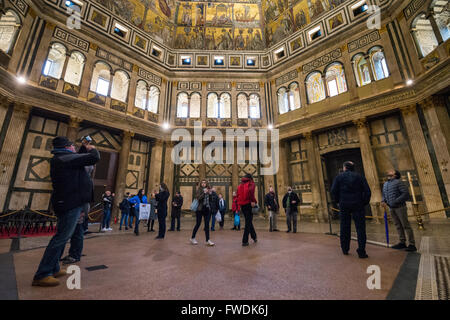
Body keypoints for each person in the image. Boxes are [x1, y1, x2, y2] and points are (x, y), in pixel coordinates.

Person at [32, 136, 99, 286]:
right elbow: (94, 158)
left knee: (62, 236)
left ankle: (54, 268)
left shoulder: (63, 157)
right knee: (61, 238)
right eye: (73, 146)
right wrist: (92, 149)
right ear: (68, 147)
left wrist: (83, 147)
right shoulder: (63, 158)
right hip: (70, 203)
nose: (75, 148)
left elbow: (77, 157)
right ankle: (42, 274)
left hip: (70, 201)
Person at [331, 161, 371, 259]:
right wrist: (363, 202)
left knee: (344, 227)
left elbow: (333, 191)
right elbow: (367, 191)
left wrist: (338, 201)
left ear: (344, 168)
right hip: (358, 204)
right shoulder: (359, 176)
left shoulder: (339, 177)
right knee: (360, 228)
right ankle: (361, 251)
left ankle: (345, 249)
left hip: (344, 204)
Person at [382, 170, 416, 252]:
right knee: (398, 225)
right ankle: (402, 242)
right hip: (391, 208)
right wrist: (383, 200)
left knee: (405, 225)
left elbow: (405, 194)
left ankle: (412, 244)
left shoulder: (399, 182)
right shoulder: (386, 184)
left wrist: (396, 201)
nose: (388, 172)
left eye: (391, 171)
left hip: (400, 207)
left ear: (395, 175)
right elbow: (384, 194)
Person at [190, 179, 215, 246]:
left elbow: (211, 199)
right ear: (201, 184)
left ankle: (208, 240)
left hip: (207, 209)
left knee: (207, 225)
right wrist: (204, 193)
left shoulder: (208, 189)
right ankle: (192, 238)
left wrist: (211, 193)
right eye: (202, 183)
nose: (203, 184)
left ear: (206, 183)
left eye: (205, 183)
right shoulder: (199, 190)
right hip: (200, 209)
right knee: (198, 223)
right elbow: (198, 198)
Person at [237, 173, 257, 246]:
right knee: (248, 222)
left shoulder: (240, 185)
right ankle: (245, 241)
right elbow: (251, 193)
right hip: (248, 204)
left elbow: (238, 194)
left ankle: (254, 236)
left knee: (249, 221)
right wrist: (253, 201)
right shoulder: (251, 183)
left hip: (242, 205)